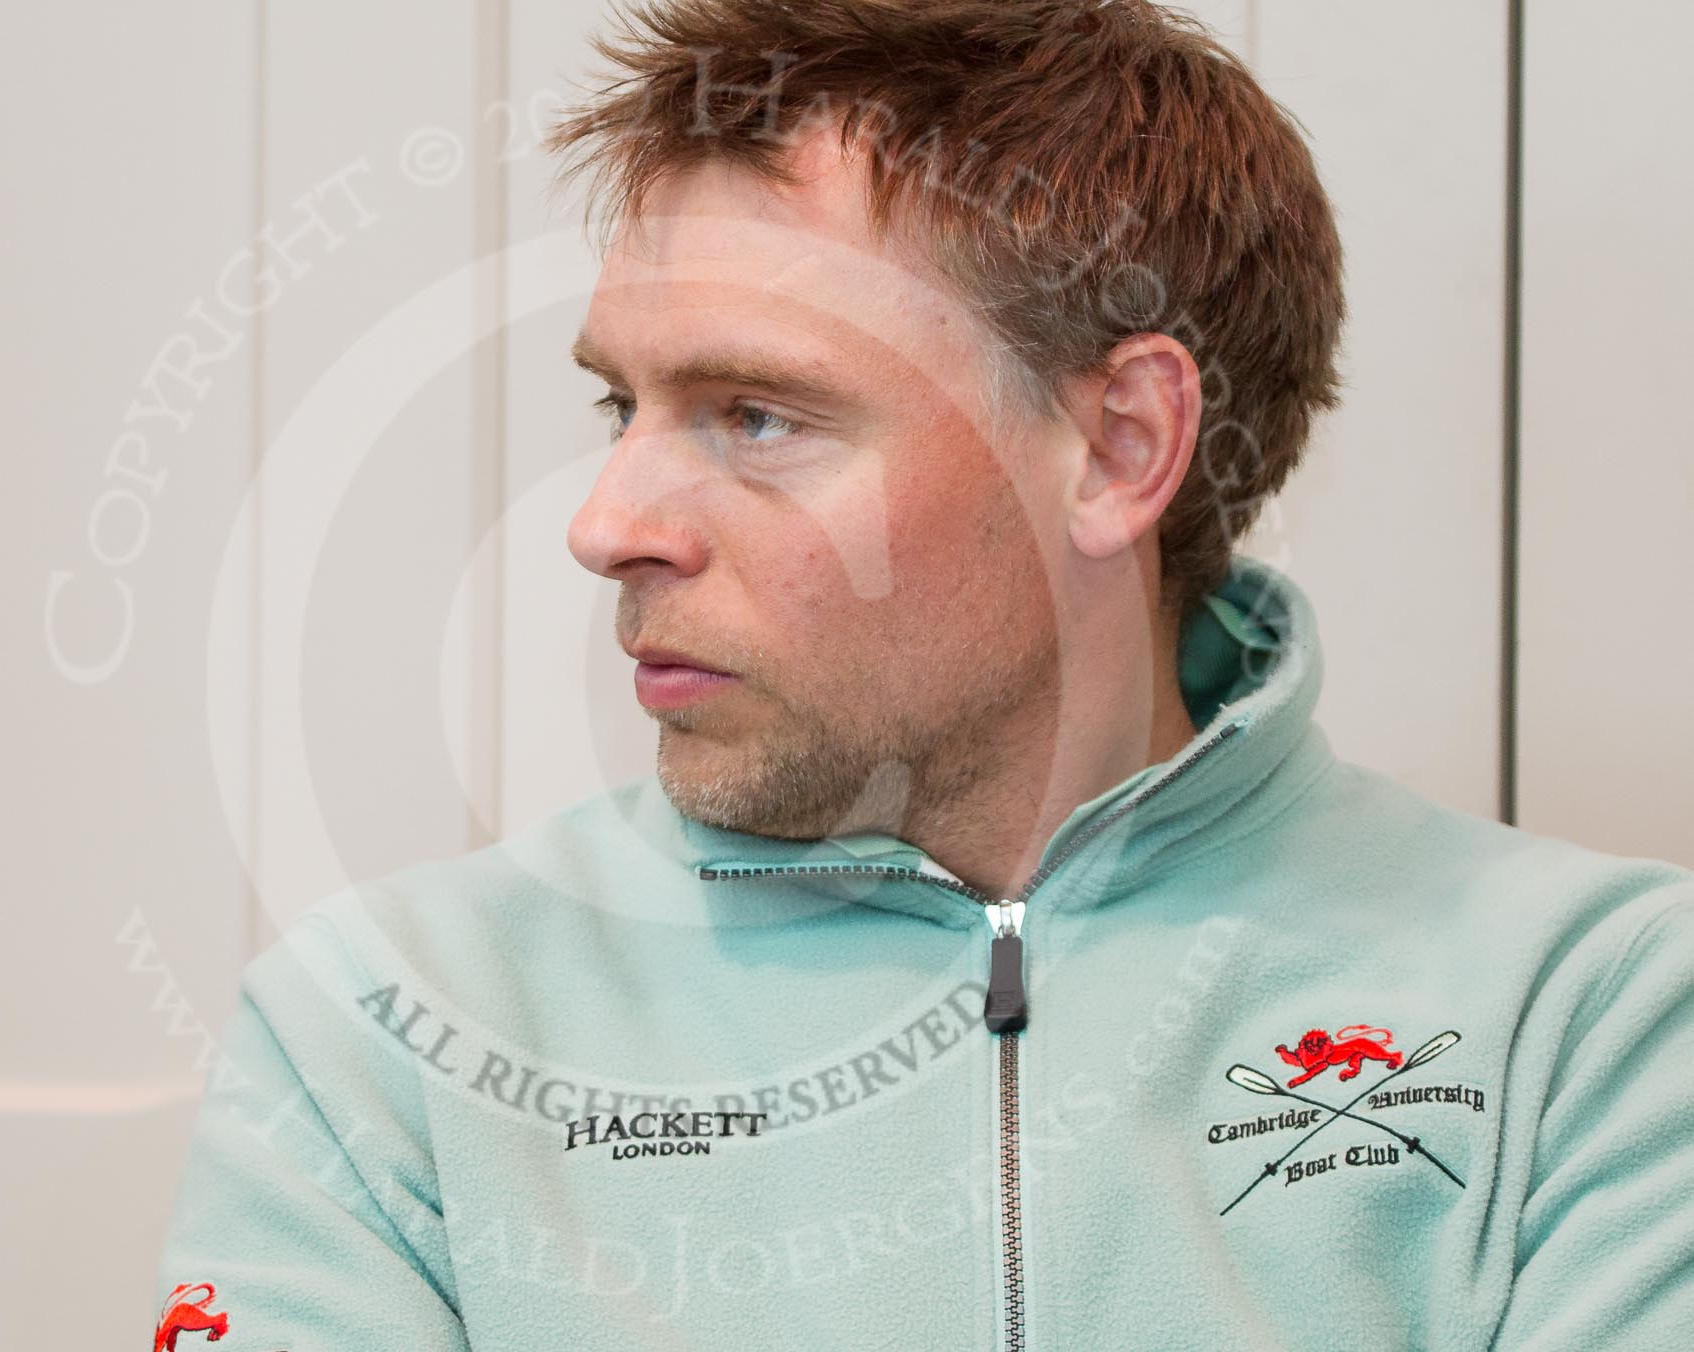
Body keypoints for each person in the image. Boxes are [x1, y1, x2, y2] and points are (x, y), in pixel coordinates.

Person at [153, 2, 1694, 1348]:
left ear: (1116, 447)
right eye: (620, 403)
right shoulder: (387, 1038)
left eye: (758, 414)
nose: (606, 525)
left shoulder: (1593, 1019)